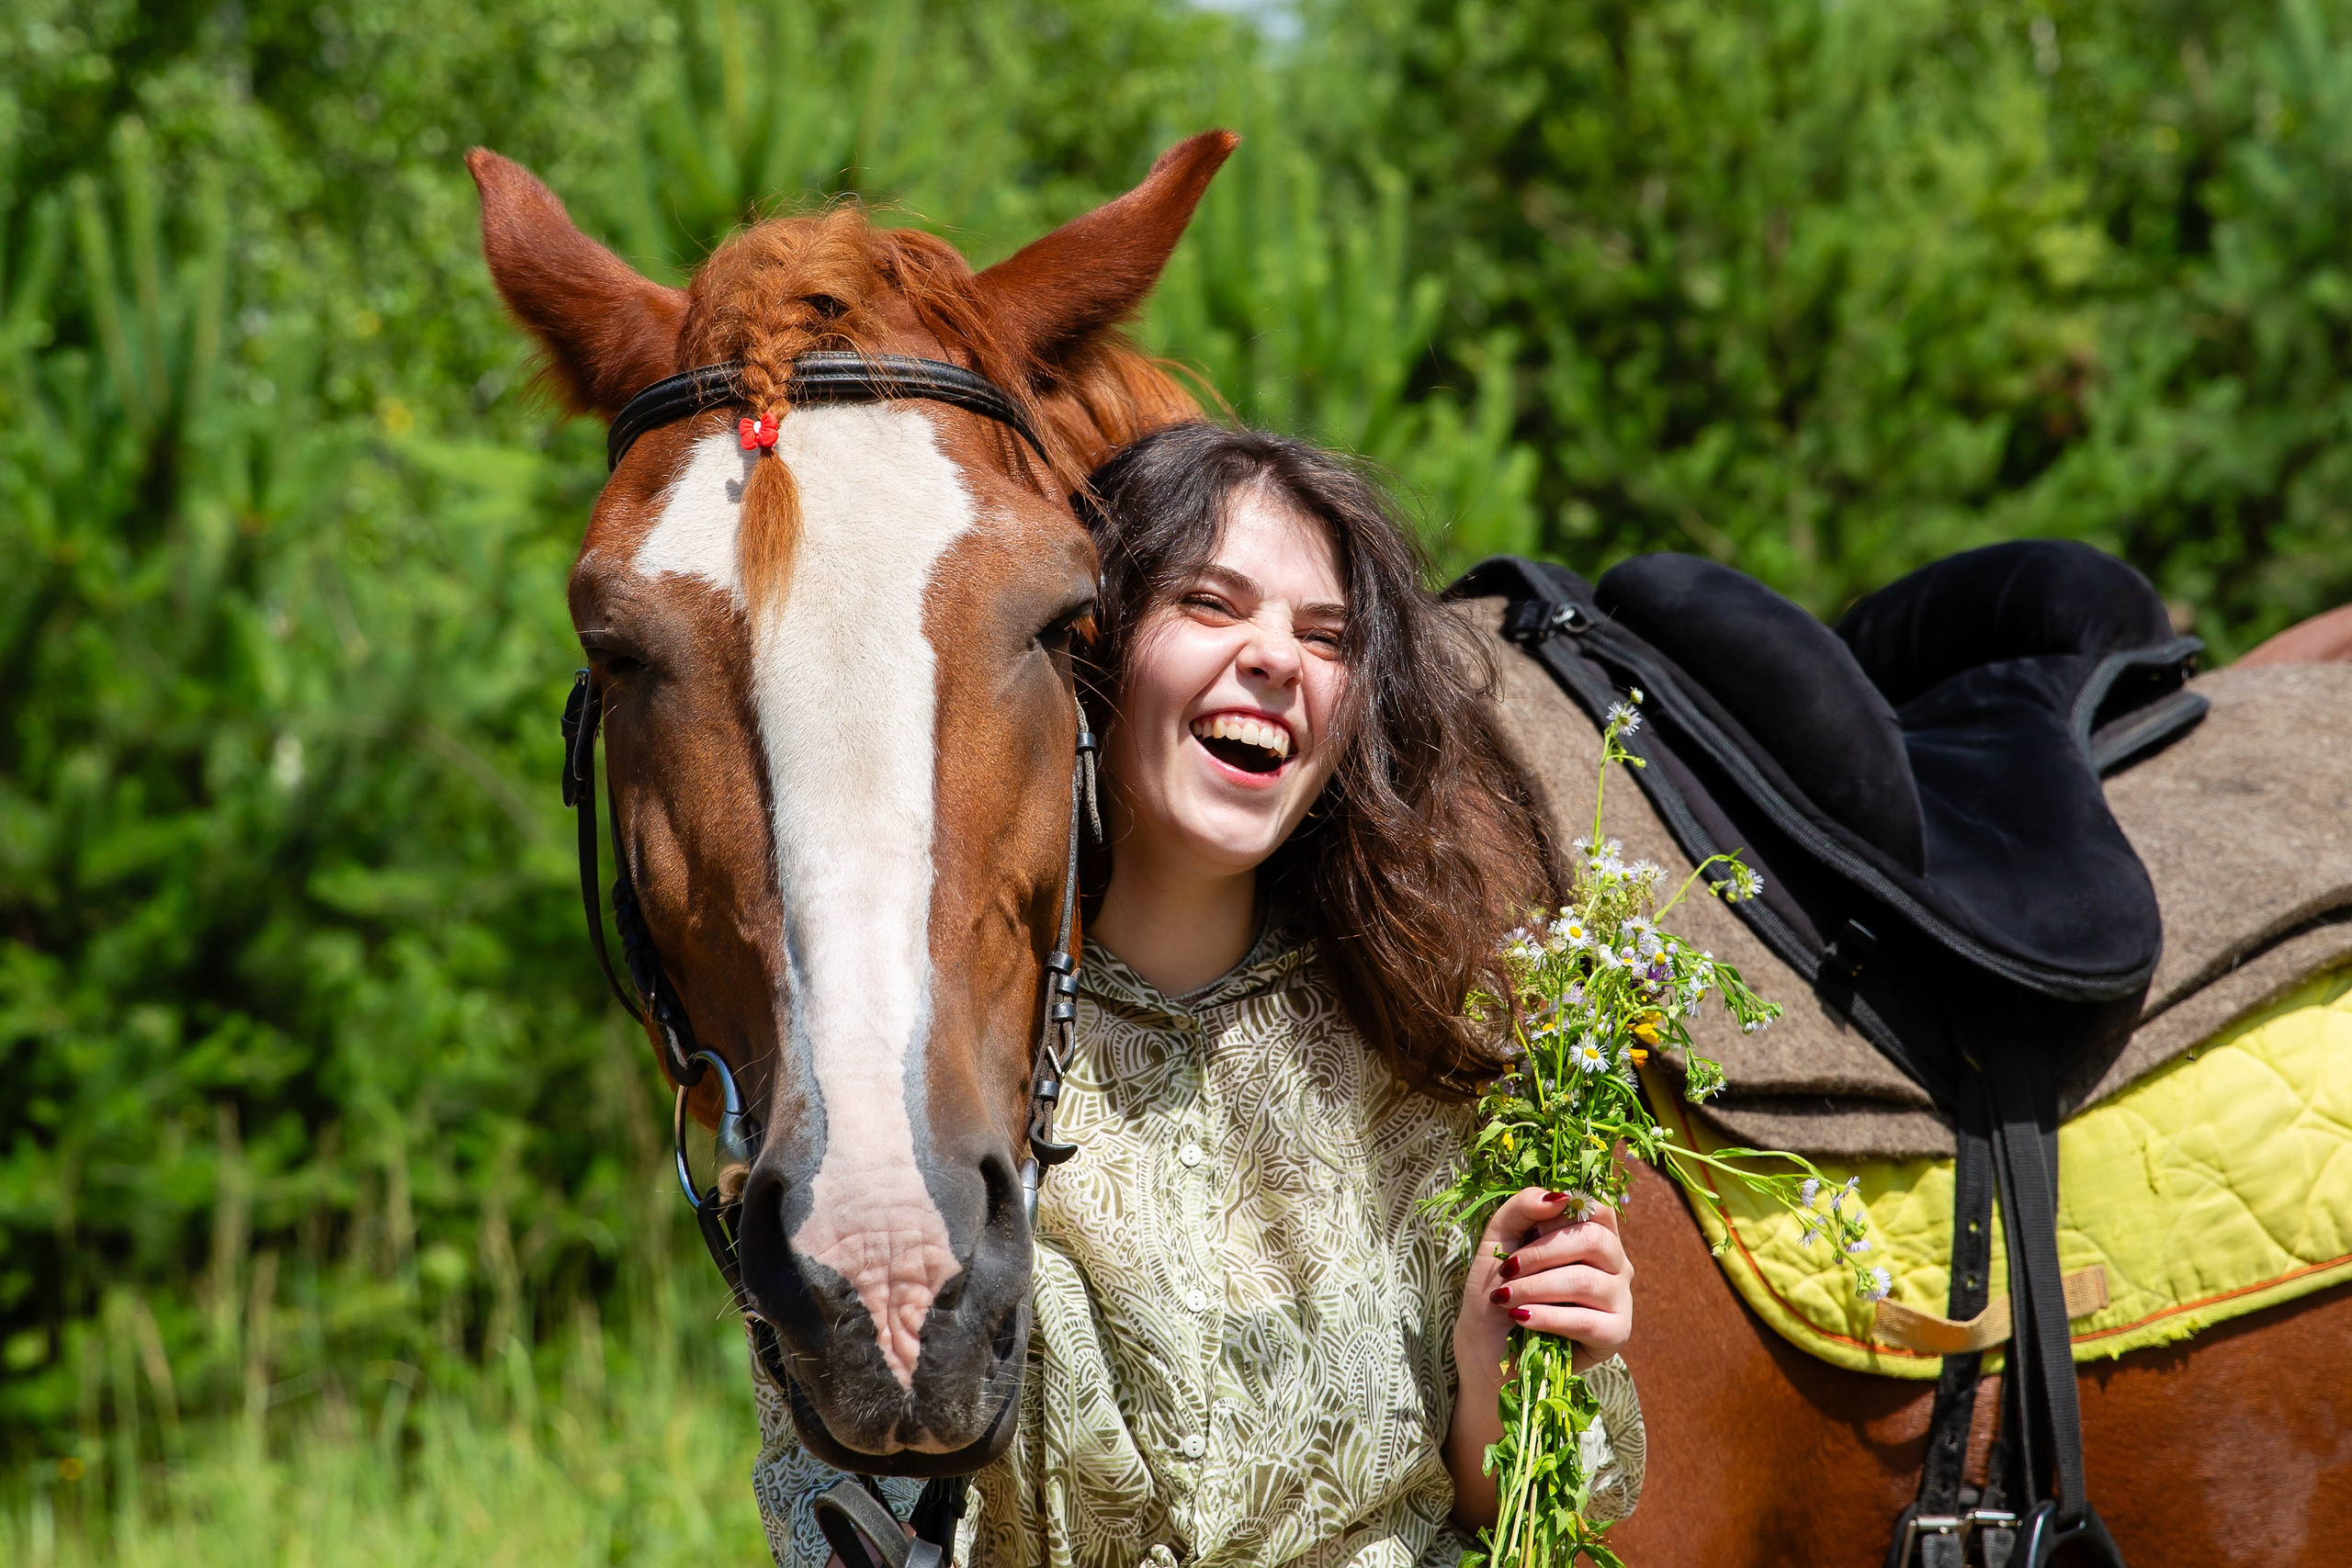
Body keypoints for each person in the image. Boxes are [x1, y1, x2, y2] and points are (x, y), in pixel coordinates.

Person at [752, 423, 1642, 1568]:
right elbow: (827, 1508)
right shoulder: (923, 1080)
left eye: (1325, 636)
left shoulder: (1433, 1050)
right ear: (1091, 647)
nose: (1276, 656)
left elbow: (1510, 1516)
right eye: (1213, 606)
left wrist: (1496, 1366)